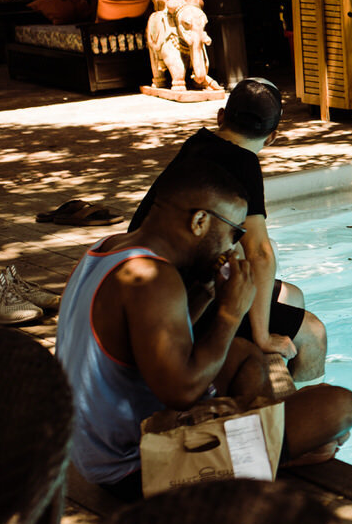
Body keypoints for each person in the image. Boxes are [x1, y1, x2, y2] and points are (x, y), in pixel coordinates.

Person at [59, 160, 352, 501]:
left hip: (95, 453)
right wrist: (232, 313)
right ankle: (259, 461)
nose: (234, 248)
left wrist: (205, 294)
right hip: (137, 470)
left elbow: (154, 352)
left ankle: (258, 449)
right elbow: (181, 392)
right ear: (200, 221)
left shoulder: (110, 248)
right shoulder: (153, 278)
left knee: (246, 355)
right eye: (235, 233)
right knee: (340, 408)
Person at [130, 77, 327, 381]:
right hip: (181, 304)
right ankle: (304, 419)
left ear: (221, 116)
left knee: (293, 295)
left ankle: (289, 395)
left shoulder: (199, 143)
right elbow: (260, 253)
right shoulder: (243, 163)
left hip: (153, 288)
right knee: (313, 335)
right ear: (272, 137)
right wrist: (262, 337)